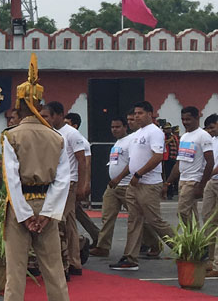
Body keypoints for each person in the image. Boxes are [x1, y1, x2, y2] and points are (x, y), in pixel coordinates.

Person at [0, 55, 72, 301]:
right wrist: (46, 214)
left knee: (16, 271)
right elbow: (63, 180)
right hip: (47, 204)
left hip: (21, 206)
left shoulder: (11, 136)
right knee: (54, 270)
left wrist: (25, 215)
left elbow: (11, 180)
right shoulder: (56, 137)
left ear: (21, 105)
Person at [110, 101, 176, 271]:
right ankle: (130, 257)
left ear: (149, 114)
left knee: (154, 220)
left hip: (148, 184)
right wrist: (123, 176)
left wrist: (139, 174)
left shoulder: (154, 132)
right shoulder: (137, 134)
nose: (137, 116)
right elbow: (133, 160)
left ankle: (184, 248)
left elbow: (158, 156)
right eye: (135, 114)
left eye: (140, 113)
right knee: (134, 219)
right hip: (134, 183)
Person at [40, 102, 88, 277]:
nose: (44, 119)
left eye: (47, 116)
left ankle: (64, 263)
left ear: (58, 115)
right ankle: (75, 261)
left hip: (69, 183)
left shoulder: (71, 133)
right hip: (56, 182)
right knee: (69, 223)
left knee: (58, 221)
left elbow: (82, 160)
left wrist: (82, 185)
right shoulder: (51, 132)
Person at [91, 114, 134, 257]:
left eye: (118, 127)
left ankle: (152, 243)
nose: (114, 129)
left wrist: (119, 177)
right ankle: (103, 246)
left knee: (137, 216)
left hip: (126, 185)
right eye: (112, 127)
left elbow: (132, 163)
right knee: (107, 216)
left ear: (125, 127)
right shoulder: (117, 143)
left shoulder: (130, 141)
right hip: (113, 186)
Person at [165, 106, 214, 226]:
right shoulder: (184, 137)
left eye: (188, 119)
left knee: (182, 212)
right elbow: (179, 162)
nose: (185, 122)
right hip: (183, 179)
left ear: (197, 118)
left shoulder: (203, 136)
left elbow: (210, 162)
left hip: (194, 180)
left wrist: (202, 185)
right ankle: (194, 237)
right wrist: (168, 182)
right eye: (183, 119)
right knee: (191, 212)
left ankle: (190, 234)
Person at [64, 113, 100, 251]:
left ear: (75, 125)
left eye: (67, 123)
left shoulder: (81, 141)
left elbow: (86, 163)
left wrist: (84, 184)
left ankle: (78, 242)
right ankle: (96, 235)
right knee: (77, 213)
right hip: (68, 181)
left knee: (70, 214)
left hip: (74, 182)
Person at [202, 114, 218, 277]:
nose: (210, 131)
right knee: (208, 220)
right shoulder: (212, 141)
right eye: (208, 129)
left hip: (212, 178)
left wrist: (206, 175)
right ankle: (211, 260)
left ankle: (217, 265)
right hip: (212, 182)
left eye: (212, 127)